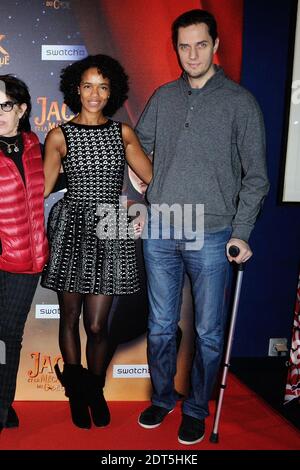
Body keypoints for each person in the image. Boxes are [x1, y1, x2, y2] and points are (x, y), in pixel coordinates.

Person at [136, 9, 269, 445]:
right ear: (175, 48)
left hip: (212, 232)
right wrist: (144, 191)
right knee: (159, 325)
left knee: (209, 334)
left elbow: (256, 177)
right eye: (183, 45)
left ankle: (196, 407)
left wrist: (241, 231)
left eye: (200, 44)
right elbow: (140, 148)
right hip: (159, 229)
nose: (191, 53)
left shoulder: (240, 103)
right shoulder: (162, 97)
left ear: (216, 46)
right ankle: (162, 397)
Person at [41, 54, 152, 430]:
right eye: (88, 85)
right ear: (76, 88)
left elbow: (151, 175)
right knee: (69, 317)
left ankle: (95, 388)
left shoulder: (123, 133)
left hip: (109, 226)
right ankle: (76, 392)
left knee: (98, 326)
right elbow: (39, 189)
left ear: (112, 92)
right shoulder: (59, 135)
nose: (94, 93)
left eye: (102, 86)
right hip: (71, 227)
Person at [0, 75, 48, 433]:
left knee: (8, 336)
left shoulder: (35, 145)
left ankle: (3, 401)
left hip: (26, 263)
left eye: (4, 105)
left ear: (21, 109)